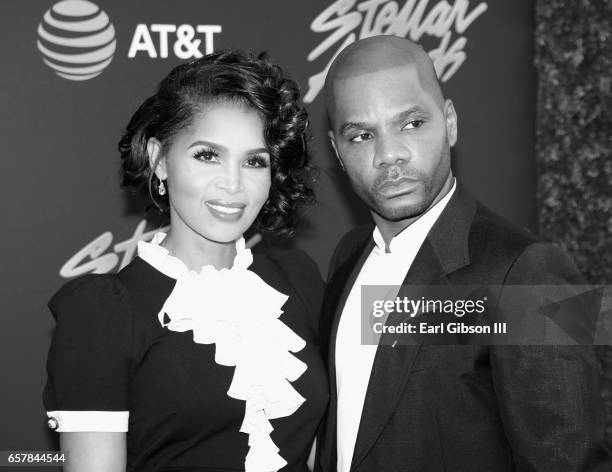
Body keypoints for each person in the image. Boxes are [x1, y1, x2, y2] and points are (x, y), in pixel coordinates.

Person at [316, 35, 611, 471]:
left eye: (411, 123)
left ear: (450, 123)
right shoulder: (348, 255)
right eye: (361, 135)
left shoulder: (534, 270)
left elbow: (571, 461)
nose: (389, 154)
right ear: (338, 152)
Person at [43, 50, 328, 472]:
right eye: (207, 155)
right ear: (159, 159)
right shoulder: (102, 313)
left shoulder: (297, 279)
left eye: (254, 161)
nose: (233, 184)